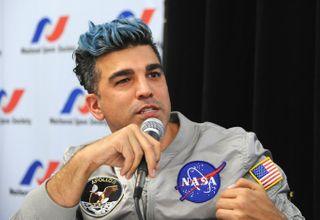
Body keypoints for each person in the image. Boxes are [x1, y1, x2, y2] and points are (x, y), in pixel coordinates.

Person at [11, 18, 304, 220]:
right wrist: (84, 161)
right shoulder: (83, 162)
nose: (145, 89)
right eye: (124, 80)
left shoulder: (236, 149)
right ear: (95, 106)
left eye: (153, 74)